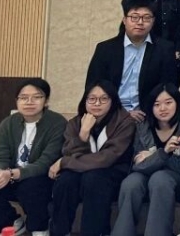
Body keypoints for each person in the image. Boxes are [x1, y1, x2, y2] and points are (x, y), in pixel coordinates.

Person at [0, 78, 65, 236]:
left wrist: (12, 174)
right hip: (11, 176)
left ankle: (39, 228)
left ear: (46, 101)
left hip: (42, 178)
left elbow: (45, 162)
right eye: (23, 97)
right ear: (17, 101)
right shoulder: (8, 123)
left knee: (30, 187)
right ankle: (11, 224)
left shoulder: (57, 123)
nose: (29, 102)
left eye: (36, 97)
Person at [48, 80, 135, 236]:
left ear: (113, 101)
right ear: (85, 100)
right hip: (82, 171)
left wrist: (65, 162)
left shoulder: (124, 122)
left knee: (93, 179)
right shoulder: (75, 122)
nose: (97, 103)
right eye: (92, 99)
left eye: (104, 99)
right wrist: (83, 134)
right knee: (66, 180)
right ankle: (60, 232)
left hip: (114, 171)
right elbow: (68, 150)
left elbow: (107, 158)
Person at [112, 83, 180, 236]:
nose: (162, 108)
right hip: (145, 175)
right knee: (131, 183)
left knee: (159, 179)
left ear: (178, 103)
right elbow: (138, 165)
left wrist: (155, 155)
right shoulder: (143, 125)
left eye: (168, 102)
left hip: (176, 180)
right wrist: (164, 154)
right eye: (156, 104)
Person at [86, 0, 179, 123]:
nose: (140, 22)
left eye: (146, 18)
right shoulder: (105, 49)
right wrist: (121, 113)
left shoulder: (165, 49)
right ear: (124, 20)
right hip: (111, 116)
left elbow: (169, 86)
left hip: (149, 117)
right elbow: (93, 86)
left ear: (153, 21)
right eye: (134, 17)